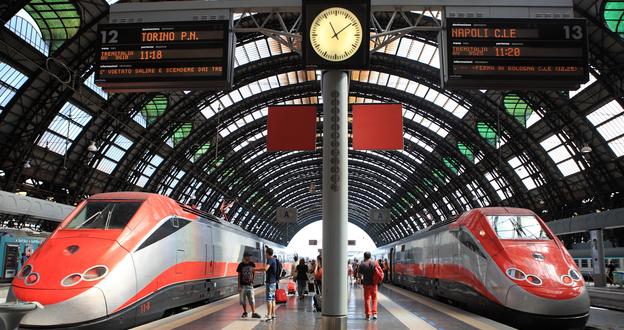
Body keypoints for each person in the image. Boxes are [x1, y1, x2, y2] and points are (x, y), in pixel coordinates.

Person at [236, 252, 261, 318]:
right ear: (245, 257)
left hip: (250, 285)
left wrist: (253, 280)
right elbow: (239, 276)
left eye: (250, 256)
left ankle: (253, 312)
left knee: (252, 299)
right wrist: (238, 286)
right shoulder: (240, 265)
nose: (250, 258)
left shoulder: (252, 264)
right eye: (248, 256)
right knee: (243, 300)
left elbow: (254, 272)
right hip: (242, 286)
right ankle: (245, 312)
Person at [359, 252, 378, 320]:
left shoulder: (362, 264)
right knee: (374, 299)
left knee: (367, 299)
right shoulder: (374, 263)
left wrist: (360, 281)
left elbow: (360, 275)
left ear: (364, 257)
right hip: (374, 284)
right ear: (370, 256)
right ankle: (375, 314)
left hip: (366, 284)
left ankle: (368, 315)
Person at [264, 248, 278, 322]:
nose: (265, 254)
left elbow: (265, 269)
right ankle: (273, 314)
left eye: (265, 253)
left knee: (269, 299)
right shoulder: (274, 259)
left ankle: (269, 315)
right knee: (272, 299)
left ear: (267, 253)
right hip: (273, 282)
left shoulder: (270, 259)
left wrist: (255, 270)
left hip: (270, 282)